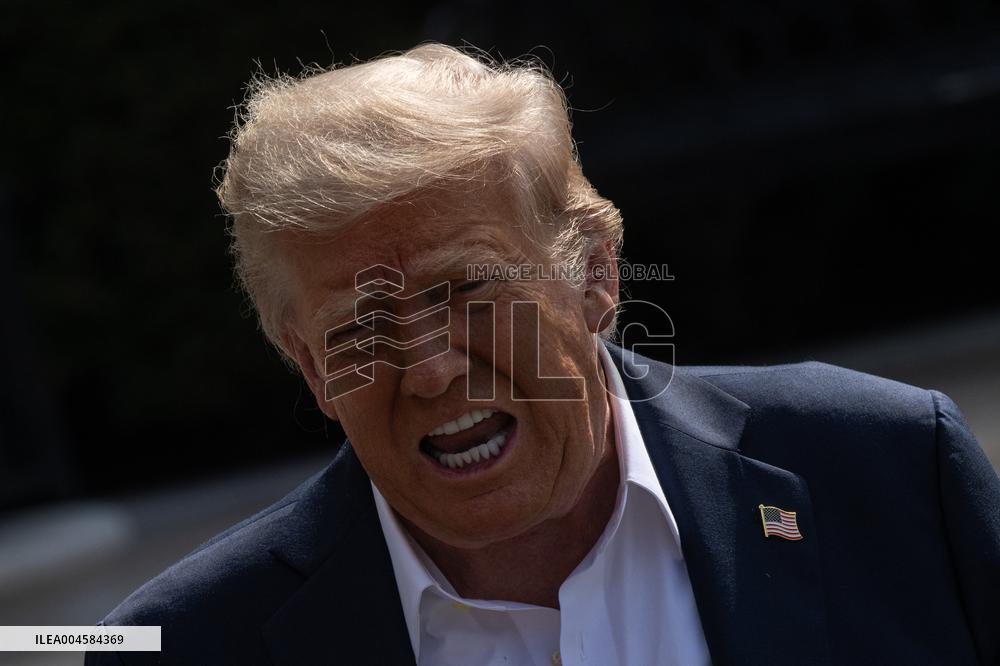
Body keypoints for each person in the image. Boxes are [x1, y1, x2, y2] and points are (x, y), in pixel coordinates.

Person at [86, 44, 1000, 666]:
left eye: (467, 292)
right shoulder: (187, 643)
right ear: (312, 367)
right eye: (361, 330)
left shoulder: (885, 471)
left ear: (596, 275)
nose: (433, 367)